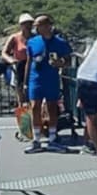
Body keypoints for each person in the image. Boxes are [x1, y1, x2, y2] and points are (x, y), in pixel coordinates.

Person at [24, 15, 75, 152]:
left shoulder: (60, 43)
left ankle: (52, 138)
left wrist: (60, 63)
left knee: (52, 107)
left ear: (47, 26)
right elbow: (29, 61)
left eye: (38, 25)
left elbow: (69, 61)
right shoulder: (32, 42)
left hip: (51, 79)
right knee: (35, 106)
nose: (35, 28)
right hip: (36, 79)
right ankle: (36, 139)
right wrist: (25, 82)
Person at [2, 14, 35, 106]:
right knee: (20, 91)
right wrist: (11, 60)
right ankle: (22, 113)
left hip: (33, 66)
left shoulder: (36, 38)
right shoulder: (14, 38)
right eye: (25, 24)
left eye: (30, 23)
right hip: (19, 66)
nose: (28, 26)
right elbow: (4, 52)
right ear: (21, 25)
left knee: (32, 91)